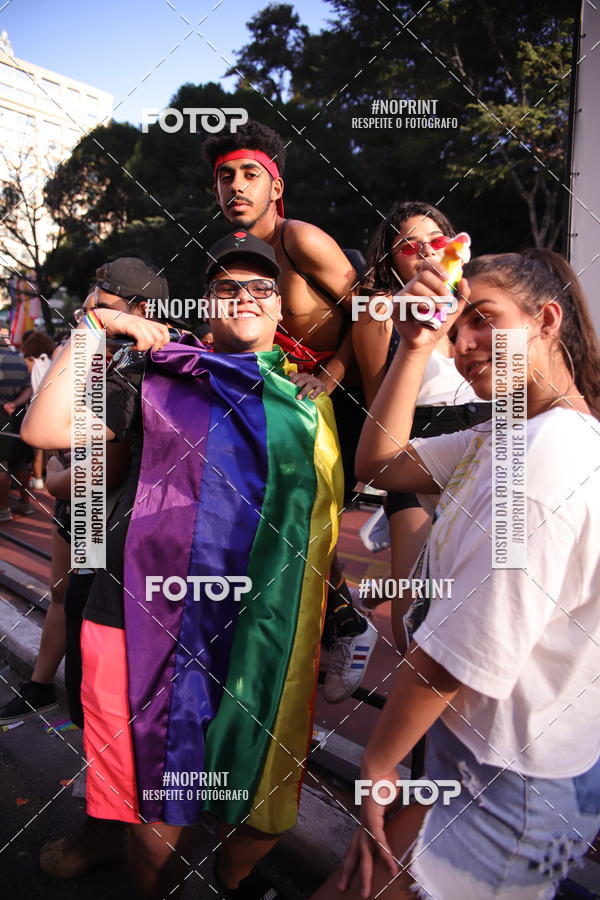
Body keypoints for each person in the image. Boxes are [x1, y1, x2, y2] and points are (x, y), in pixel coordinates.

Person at [22, 232, 343, 900]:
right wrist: (93, 328)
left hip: (251, 632)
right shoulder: (157, 374)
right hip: (136, 615)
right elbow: (43, 431)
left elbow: (320, 525)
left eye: (260, 286)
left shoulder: (308, 400)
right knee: (152, 817)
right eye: (227, 287)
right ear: (207, 302)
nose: (244, 297)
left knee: (251, 797)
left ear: (280, 306)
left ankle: (230, 880)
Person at [312, 249, 600, 900]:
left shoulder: (546, 456)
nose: (463, 342)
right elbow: (380, 463)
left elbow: (459, 653)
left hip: (513, 786)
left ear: (546, 321)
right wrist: (415, 345)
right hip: (488, 757)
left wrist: (379, 763)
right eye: (456, 322)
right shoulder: (506, 434)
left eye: (484, 318)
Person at [204, 120, 377, 704]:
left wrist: (331, 376)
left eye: (250, 174)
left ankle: (349, 625)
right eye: (225, 176)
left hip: (343, 392)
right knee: (268, 518)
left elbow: (371, 312)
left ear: (275, 187)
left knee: (301, 519)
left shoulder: (301, 239)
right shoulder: (235, 255)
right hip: (288, 396)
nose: (236, 186)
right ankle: (325, 629)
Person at [355, 202, 491, 648]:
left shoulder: (476, 303)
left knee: (482, 582)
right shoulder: (379, 313)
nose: (427, 252)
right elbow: (379, 405)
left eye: (436, 241)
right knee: (410, 611)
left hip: (482, 439)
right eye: (410, 246)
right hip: (417, 448)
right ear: (391, 260)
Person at [0, 331, 34, 520]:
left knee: (1, 464)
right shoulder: (19, 359)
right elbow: (28, 389)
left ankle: (3, 509)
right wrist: (14, 404)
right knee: (19, 460)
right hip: (17, 415)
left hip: (1, 415)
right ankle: (25, 503)